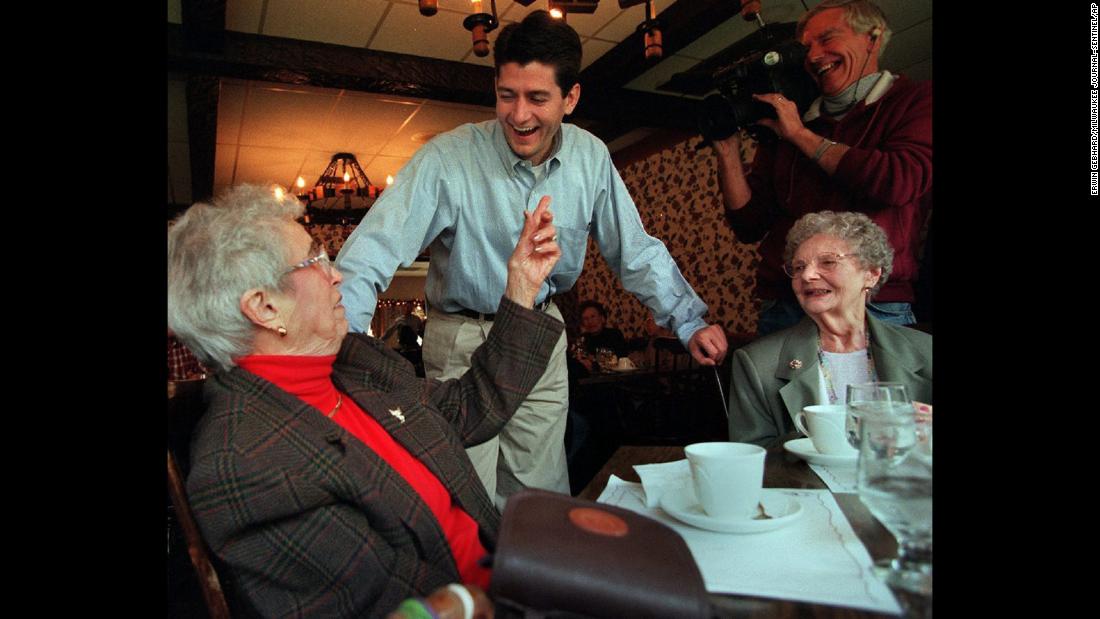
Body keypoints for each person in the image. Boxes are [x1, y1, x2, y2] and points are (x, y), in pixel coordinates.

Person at [335, 10, 728, 508]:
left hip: (541, 334)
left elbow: (635, 249)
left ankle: (532, 585)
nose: (519, 116)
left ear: (571, 97)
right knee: (466, 494)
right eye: (507, 95)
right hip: (462, 338)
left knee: (539, 497)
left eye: (538, 98)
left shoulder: (591, 157)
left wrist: (687, 320)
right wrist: (337, 346)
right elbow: (373, 249)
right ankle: (475, 588)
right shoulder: (448, 158)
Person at [167, 184, 564, 617]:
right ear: (265, 308)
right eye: (314, 260)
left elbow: (470, 406)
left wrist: (522, 287)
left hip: (509, 571)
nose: (335, 273)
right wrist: (523, 592)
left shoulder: (353, 363)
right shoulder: (248, 465)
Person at [712, 0, 932, 337]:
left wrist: (801, 136)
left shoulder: (915, 100)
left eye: (828, 39)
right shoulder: (789, 122)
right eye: (807, 47)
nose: (814, 56)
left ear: (872, 37)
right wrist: (726, 148)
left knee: (878, 393)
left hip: (872, 303)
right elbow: (749, 223)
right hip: (787, 305)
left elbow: (898, 181)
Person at [727, 211, 931, 447]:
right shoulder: (758, 363)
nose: (808, 275)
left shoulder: (926, 352)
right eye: (799, 267)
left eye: (828, 262)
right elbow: (753, 455)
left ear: (871, 274)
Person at [571, 300, 629, 372]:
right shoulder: (582, 340)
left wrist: (594, 360)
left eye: (593, 317)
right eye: (586, 319)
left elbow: (621, 359)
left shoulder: (614, 335)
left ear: (602, 318)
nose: (590, 321)